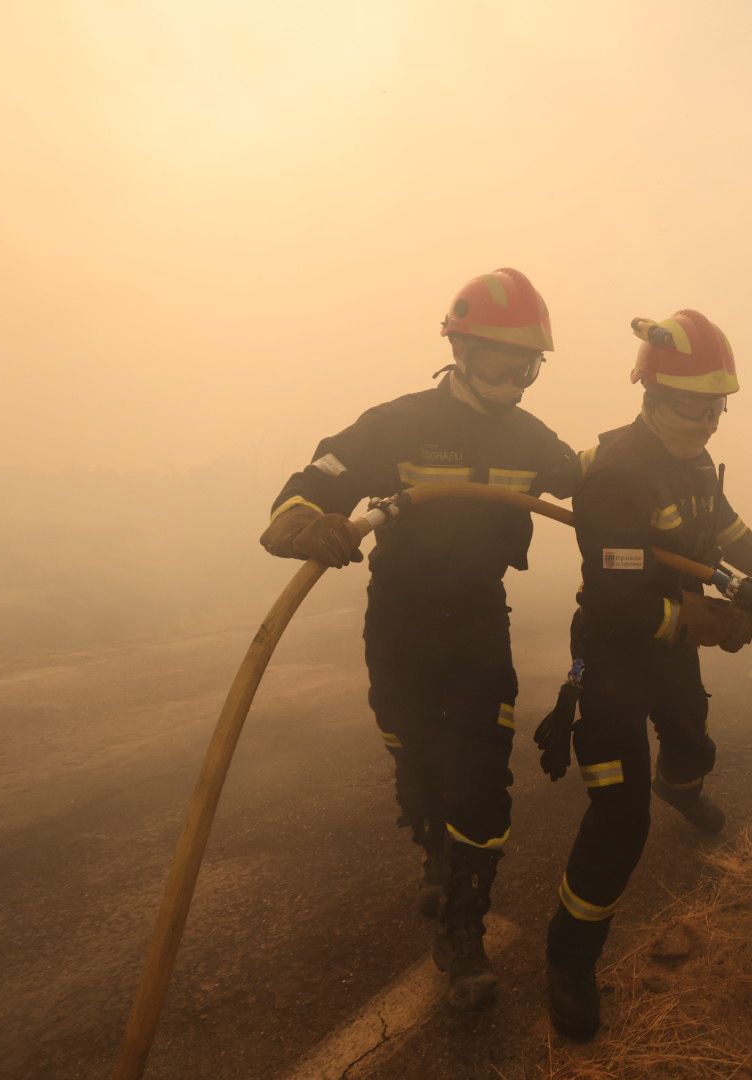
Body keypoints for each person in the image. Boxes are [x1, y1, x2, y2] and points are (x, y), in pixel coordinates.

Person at [258, 268, 580, 1010]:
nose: (513, 378)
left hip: (476, 622)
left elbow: (599, 491)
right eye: (500, 360)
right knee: (411, 748)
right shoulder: (395, 425)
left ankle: (463, 930)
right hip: (400, 619)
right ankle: (432, 844)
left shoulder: (532, 438)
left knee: (480, 777)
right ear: (460, 348)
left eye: (526, 364)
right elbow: (310, 484)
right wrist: (303, 520)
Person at [544, 310, 752, 1040]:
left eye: (718, 404)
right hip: (613, 654)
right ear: (650, 393)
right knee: (620, 819)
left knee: (692, 738)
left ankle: (683, 782)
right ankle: (569, 961)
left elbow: (725, 520)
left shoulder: (688, 459)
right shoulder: (616, 472)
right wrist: (708, 622)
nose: (709, 419)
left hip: (673, 647)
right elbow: (619, 605)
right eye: (693, 402)